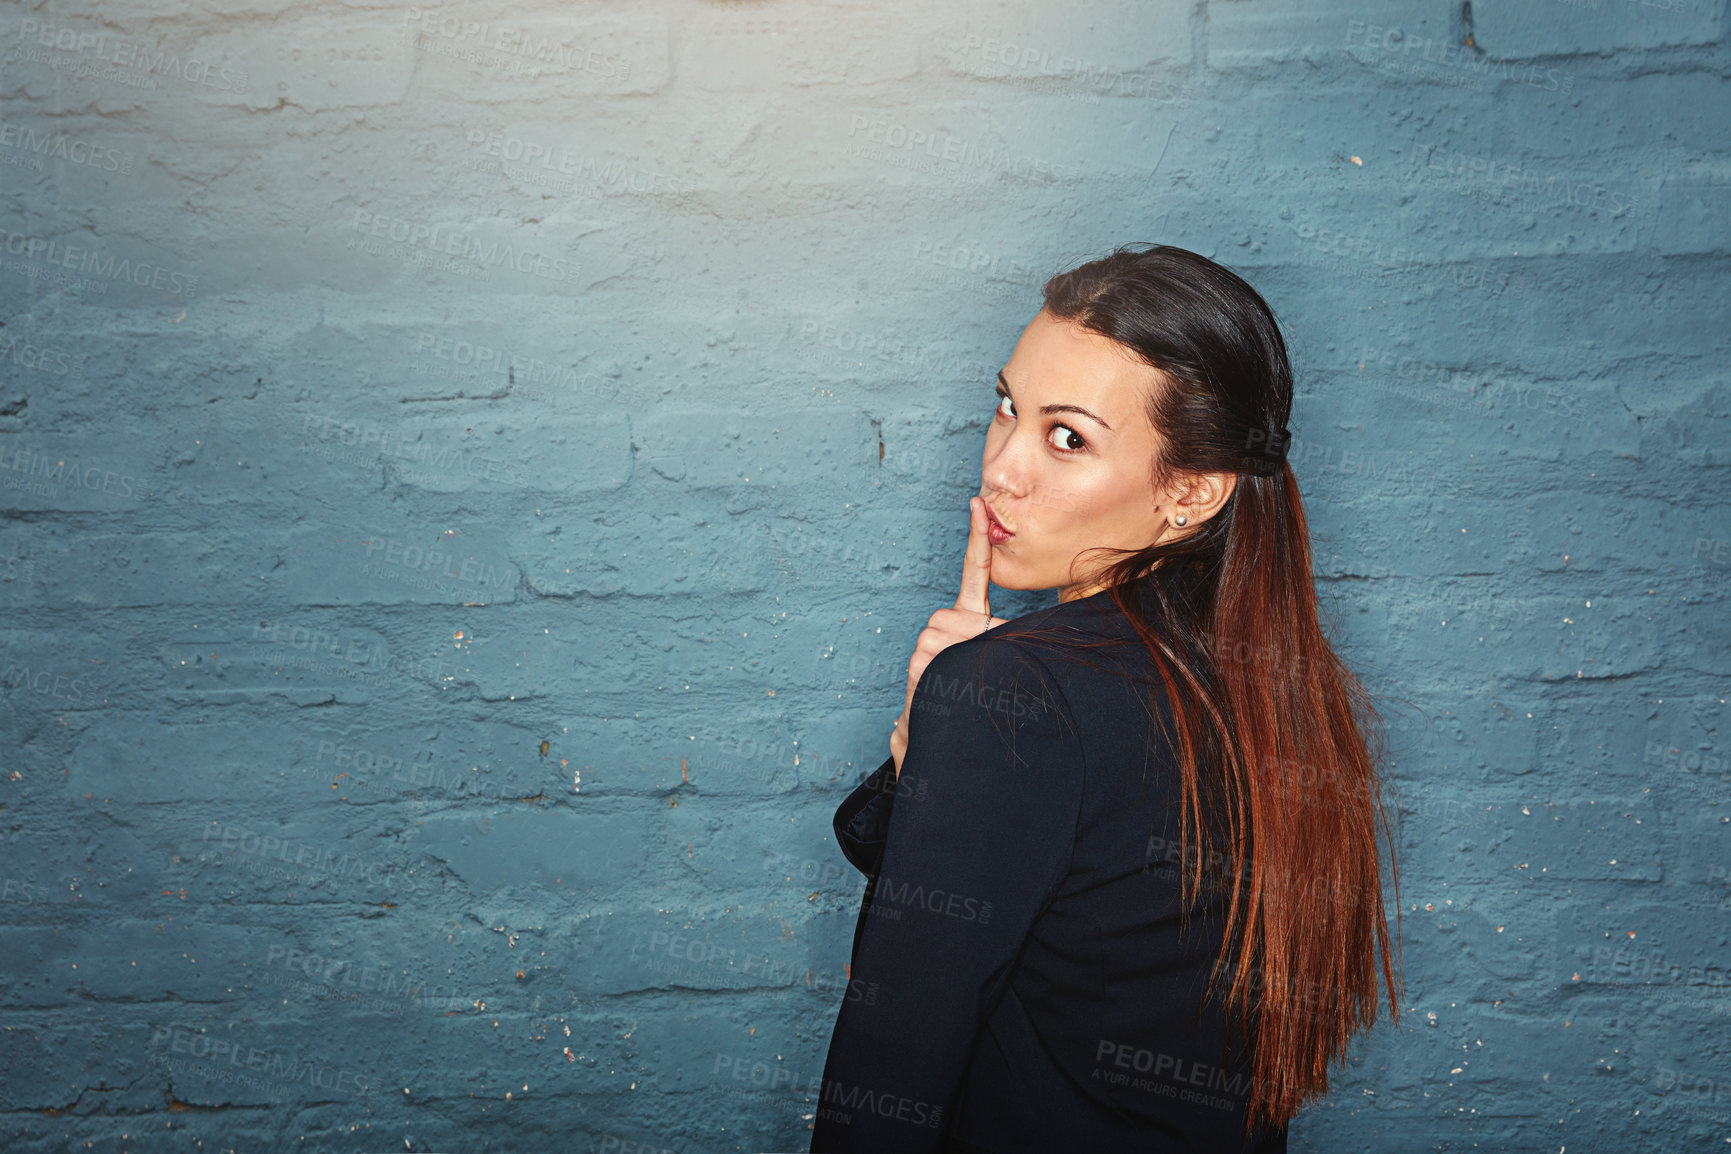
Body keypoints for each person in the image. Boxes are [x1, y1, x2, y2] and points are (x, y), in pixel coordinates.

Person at [809, 245, 1401, 1153]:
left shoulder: (1013, 693)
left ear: (1191, 492)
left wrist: (965, 719)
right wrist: (923, 763)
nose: (1003, 468)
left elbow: (890, 1066)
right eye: (1007, 406)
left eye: (1067, 437)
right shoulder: (1282, 693)